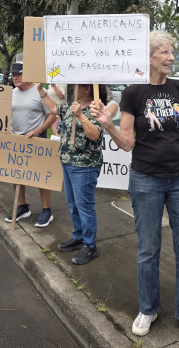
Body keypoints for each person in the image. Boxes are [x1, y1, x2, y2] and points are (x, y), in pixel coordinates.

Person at [90, 31, 179, 345]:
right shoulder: (133, 92)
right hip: (145, 180)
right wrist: (107, 124)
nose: (171, 57)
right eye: (165, 52)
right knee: (148, 251)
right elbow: (126, 143)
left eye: (172, 51)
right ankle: (148, 309)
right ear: (150, 55)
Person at [37, 83, 107, 264]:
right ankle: (79, 236)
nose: (73, 88)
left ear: (87, 89)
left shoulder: (96, 110)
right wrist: (40, 90)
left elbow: (94, 135)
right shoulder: (70, 105)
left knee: (85, 205)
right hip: (67, 162)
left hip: (85, 166)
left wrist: (81, 115)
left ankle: (90, 245)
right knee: (73, 204)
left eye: (77, 86)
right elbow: (53, 107)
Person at [6, 62, 57, 227]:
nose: (16, 77)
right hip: (16, 140)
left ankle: (46, 210)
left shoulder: (39, 92)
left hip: (37, 139)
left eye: (19, 74)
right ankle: (22, 206)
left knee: (41, 176)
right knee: (16, 175)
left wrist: (38, 130)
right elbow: (2, 116)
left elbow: (52, 115)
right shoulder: (10, 93)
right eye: (14, 75)